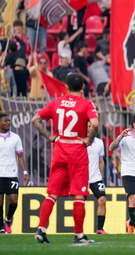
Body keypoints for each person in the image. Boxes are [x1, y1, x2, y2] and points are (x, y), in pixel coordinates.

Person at [31, 73, 99, 243]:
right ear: (83, 87)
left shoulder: (56, 102)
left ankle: (41, 229)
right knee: (78, 196)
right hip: (78, 155)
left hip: (60, 153)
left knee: (52, 194)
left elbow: (35, 119)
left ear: (66, 87)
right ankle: (78, 235)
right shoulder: (87, 104)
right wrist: (89, 140)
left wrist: (49, 136)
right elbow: (95, 124)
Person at [0, 113, 29, 234]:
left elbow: (20, 156)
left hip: (11, 173)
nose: (8, 123)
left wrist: (25, 172)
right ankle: (1, 226)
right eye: (5, 121)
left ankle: (8, 219)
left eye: (9, 121)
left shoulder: (15, 137)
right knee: (0, 202)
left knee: (13, 201)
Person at [86, 122, 108, 234]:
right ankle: (78, 230)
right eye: (88, 126)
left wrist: (101, 178)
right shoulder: (79, 141)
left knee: (102, 200)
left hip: (96, 178)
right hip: (82, 178)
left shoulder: (99, 143)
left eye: (91, 126)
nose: (90, 128)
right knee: (79, 203)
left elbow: (101, 161)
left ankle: (100, 228)